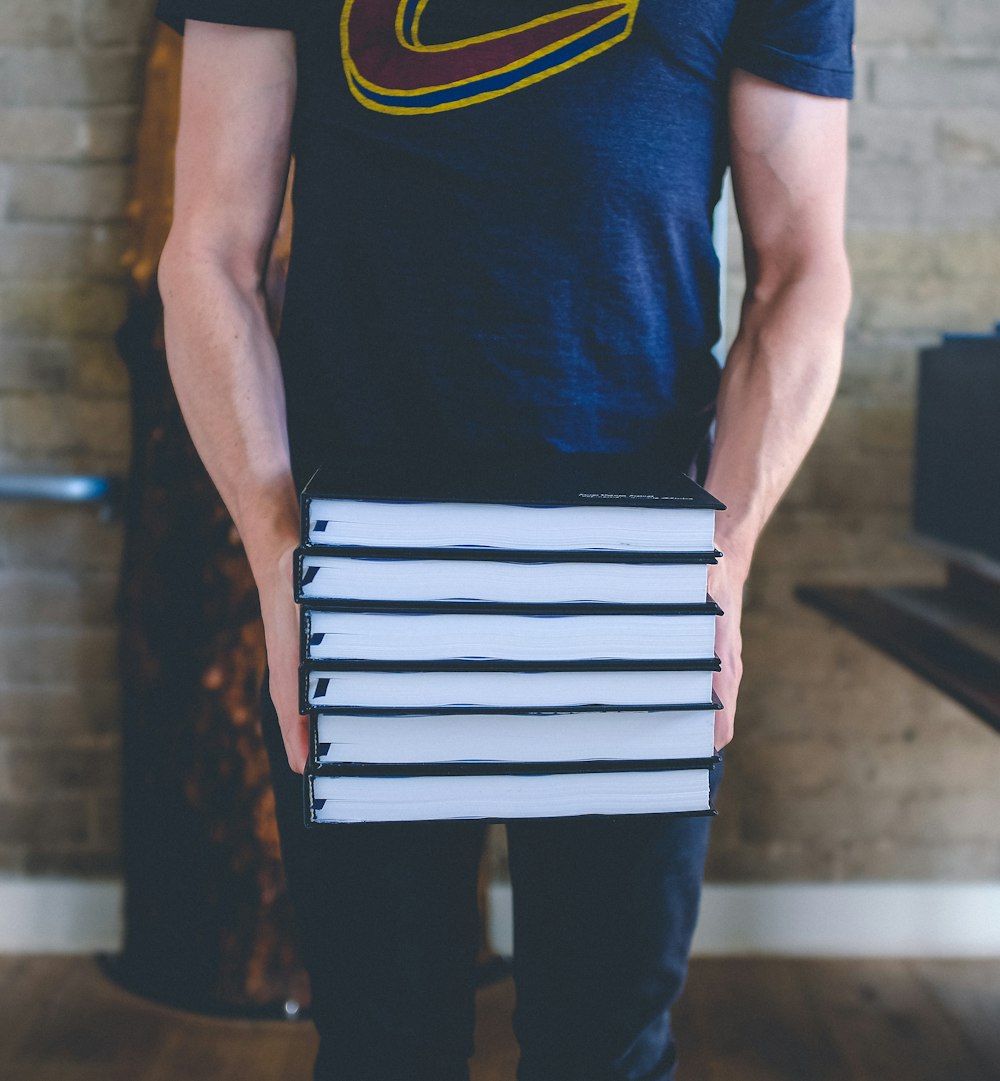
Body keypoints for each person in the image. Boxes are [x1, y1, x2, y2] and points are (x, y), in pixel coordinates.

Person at [154, 1, 853, 1077]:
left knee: (604, 1045)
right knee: (385, 1041)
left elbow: (802, 266)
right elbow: (208, 250)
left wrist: (722, 559)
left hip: (638, 580)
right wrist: (275, 549)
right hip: (355, 573)